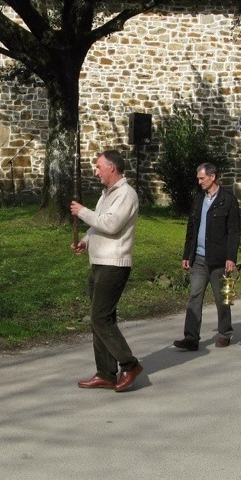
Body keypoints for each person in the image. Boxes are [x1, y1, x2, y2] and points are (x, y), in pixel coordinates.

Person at [70, 150, 143, 392]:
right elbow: (99, 223)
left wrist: (82, 212)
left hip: (115, 264)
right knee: (102, 318)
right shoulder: (106, 195)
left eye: (99, 166)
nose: (96, 171)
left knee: (99, 317)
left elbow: (111, 224)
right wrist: (85, 240)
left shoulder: (126, 194)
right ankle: (106, 372)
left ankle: (130, 365)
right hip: (99, 262)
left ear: (112, 167)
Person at [174, 162, 240, 350]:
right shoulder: (198, 200)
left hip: (219, 260)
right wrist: (187, 254)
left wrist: (231, 257)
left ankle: (224, 333)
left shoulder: (228, 200)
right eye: (198, 178)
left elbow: (234, 231)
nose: (199, 182)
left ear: (213, 177)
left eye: (202, 178)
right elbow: (191, 229)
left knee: (221, 298)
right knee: (194, 296)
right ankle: (191, 338)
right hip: (199, 259)